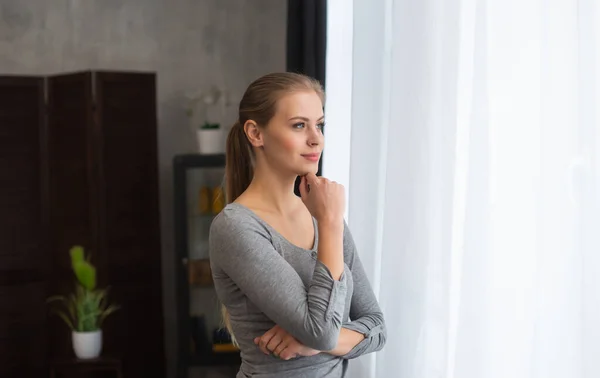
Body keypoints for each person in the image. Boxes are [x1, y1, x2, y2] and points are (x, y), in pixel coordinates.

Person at [209, 72, 386, 378]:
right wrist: (329, 223)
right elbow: (322, 330)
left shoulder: (322, 214)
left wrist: (314, 343)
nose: (316, 138)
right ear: (255, 133)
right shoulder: (236, 227)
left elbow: (377, 326)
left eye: (319, 124)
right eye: (299, 125)